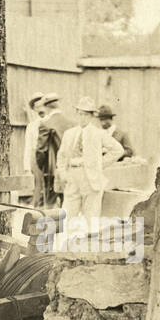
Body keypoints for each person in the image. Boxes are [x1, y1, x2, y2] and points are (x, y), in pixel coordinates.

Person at [57, 99, 124, 230]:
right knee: (69, 215)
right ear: (77, 114)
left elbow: (118, 150)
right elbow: (62, 156)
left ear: (92, 116)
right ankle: (68, 245)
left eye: (86, 114)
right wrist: (63, 173)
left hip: (91, 178)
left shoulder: (99, 133)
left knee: (91, 218)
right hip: (72, 176)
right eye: (80, 114)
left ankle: (91, 246)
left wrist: (99, 164)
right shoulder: (69, 134)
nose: (83, 117)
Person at [34, 94, 73, 208]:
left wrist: (42, 168)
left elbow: (41, 151)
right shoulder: (71, 123)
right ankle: (65, 225)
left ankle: (53, 225)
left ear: (46, 107)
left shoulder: (45, 124)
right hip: (69, 169)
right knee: (67, 202)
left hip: (52, 171)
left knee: (50, 204)